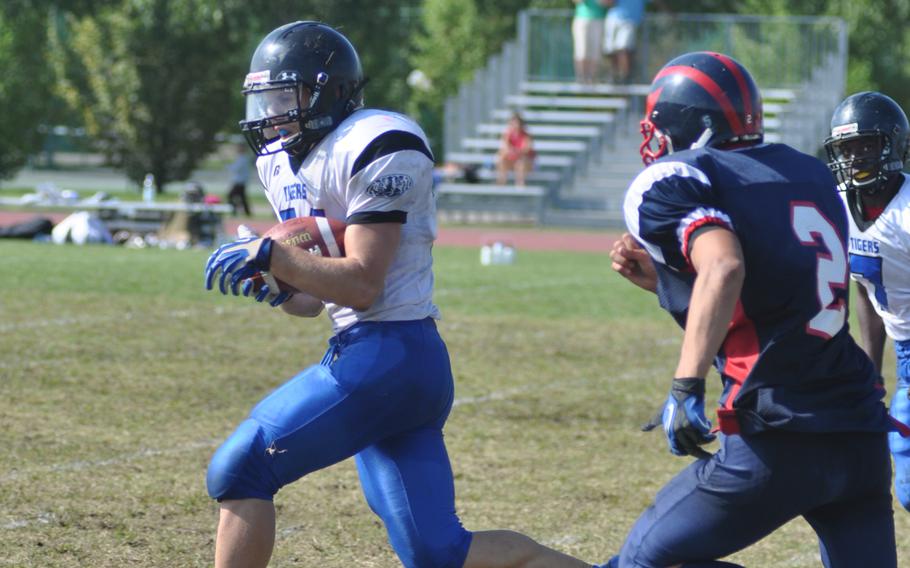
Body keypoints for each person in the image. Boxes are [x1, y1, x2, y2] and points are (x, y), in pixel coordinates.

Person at [202, 21, 594, 568]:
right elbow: (311, 301)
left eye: (283, 97)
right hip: (389, 364)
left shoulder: (377, 141)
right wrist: (276, 285)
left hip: (389, 355)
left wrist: (273, 255)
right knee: (439, 553)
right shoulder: (282, 160)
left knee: (240, 468)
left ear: (326, 92)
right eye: (264, 99)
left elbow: (363, 282)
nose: (270, 114)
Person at [603, 52, 904, 568]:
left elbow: (723, 268)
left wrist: (686, 385)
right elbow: (776, 292)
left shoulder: (673, 177)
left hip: (778, 437)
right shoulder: (808, 173)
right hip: (858, 435)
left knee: (642, 562)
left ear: (688, 124)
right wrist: (663, 284)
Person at [824, 90, 910, 512]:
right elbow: (866, 288)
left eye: (866, 145)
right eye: (847, 147)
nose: (856, 157)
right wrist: (871, 372)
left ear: (892, 145)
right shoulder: (840, 207)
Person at [603, 0, 647, 84]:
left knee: (623, 48)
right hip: (613, 18)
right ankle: (614, 76)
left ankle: (625, 77)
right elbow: (606, 2)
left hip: (629, 20)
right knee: (611, 51)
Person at [572, 0, 609, 84]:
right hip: (582, 19)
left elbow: (610, 3)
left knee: (595, 53)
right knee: (581, 51)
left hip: (599, 19)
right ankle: (581, 79)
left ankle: (591, 80)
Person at [496, 112, 536, 186]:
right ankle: (501, 183)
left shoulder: (527, 136)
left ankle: (520, 184)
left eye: (517, 124)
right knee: (501, 159)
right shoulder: (507, 135)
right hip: (512, 161)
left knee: (521, 162)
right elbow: (505, 149)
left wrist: (515, 151)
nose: (515, 126)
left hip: (525, 163)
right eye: (513, 124)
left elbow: (526, 150)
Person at [226, 143, 252, 217]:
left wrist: (228, 166)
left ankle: (234, 211)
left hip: (239, 181)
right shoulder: (242, 158)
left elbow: (236, 169)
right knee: (242, 197)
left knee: (231, 196)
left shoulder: (242, 159)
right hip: (240, 181)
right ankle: (247, 213)